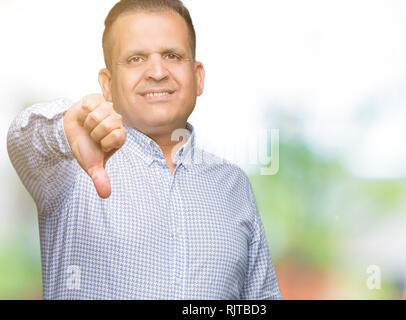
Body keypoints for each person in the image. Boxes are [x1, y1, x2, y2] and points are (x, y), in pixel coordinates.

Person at [7, 0, 282, 300]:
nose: (157, 72)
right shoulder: (69, 168)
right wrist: (65, 127)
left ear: (198, 76)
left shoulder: (234, 186)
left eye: (172, 56)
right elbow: (24, 139)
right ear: (107, 84)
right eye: (136, 58)